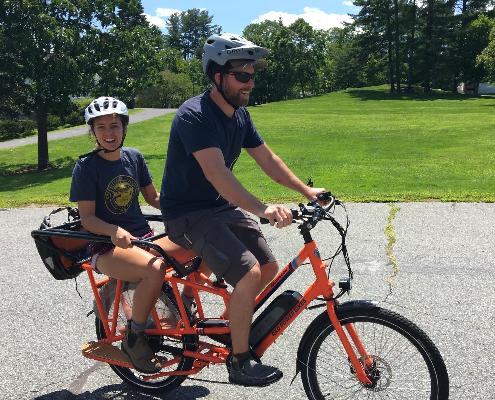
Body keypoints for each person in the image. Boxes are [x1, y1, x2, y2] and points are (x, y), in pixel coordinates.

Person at [160, 33, 326, 387]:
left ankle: (228, 324)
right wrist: (265, 209)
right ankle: (239, 361)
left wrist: (305, 190)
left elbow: (267, 159)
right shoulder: (194, 116)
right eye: (242, 75)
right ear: (217, 76)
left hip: (218, 209)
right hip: (187, 215)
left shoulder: (240, 116)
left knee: (269, 266)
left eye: (253, 75)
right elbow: (219, 176)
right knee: (249, 274)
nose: (250, 83)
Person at [70, 96, 195, 373]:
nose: (109, 133)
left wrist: (190, 205)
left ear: (124, 127)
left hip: (143, 239)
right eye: (101, 128)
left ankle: (184, 305)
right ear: (93, 132)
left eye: (114, 126)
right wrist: (113, 231)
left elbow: (153, 198)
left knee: (203, 240)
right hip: (105, 247)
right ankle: (134, 338)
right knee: (155, 268)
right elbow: (87, 218)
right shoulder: (86, 167)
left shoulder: (134, 158)